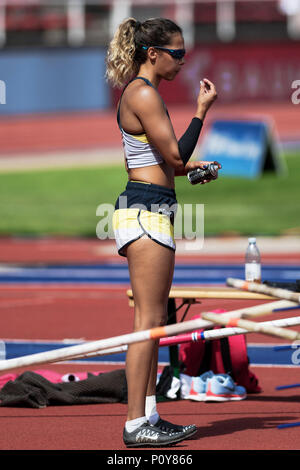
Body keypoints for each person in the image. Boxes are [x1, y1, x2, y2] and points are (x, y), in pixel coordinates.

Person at [106, 17, 219, 447]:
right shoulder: (142, 93)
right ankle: (136, 424)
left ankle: (149, 413)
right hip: (144, 211)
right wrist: (201, 112)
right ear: (152, 54)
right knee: (148, 322)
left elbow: (169, 167)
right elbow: (174, 158)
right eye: (177, 54)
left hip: (153, 207)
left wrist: (193, 172)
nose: (182, 62)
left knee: (155, 322)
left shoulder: (142, 93)